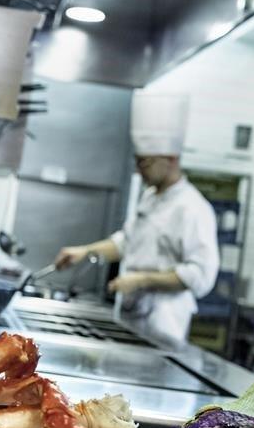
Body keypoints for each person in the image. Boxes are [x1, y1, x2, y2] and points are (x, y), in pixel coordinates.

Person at [54, 91, 219, 348]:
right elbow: (126, 243)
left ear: (171, 158)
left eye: (145, 162)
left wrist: (141, 279)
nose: (140, 170)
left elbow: (201, 276)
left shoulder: (193, 209)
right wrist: (84, 251)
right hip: (131, 318)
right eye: (138, 162)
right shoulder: (150, 198)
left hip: (164, 325)